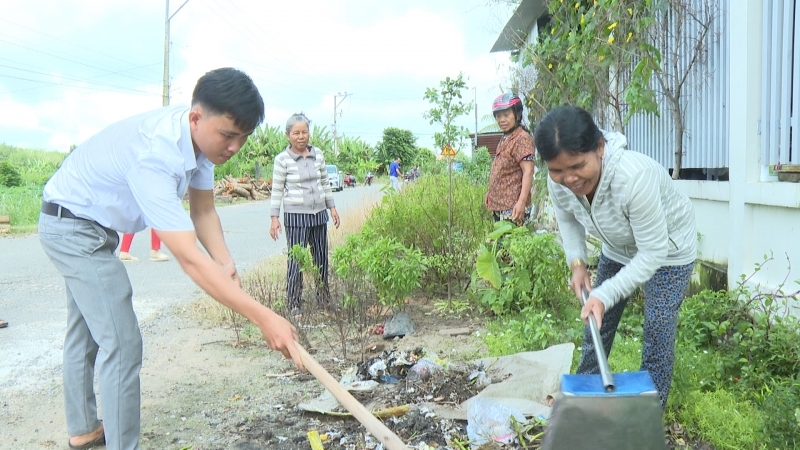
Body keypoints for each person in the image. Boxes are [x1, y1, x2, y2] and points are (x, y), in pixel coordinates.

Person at [38, 68, 302, 450]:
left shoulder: (200, 141)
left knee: (88, 330)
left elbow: (204, 212)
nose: (234, 147)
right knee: (122, 340)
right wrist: (263, 317)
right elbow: (188, 257)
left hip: (85, 222)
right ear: (196, 117)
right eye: (228, 135)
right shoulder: (156, 153)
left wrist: (225, 263)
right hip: (72, 227)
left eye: (243, 138)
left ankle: (83, 429)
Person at [534, 105, 697, 408]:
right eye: (557, 170)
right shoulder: (558, 181)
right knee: (598, 321)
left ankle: (649, 413)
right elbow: (568, 219)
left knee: (658, 329)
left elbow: (652, 252)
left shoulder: (634, 178)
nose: (569, 179)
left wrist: (605, 292)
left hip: (668, 251)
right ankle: (584, 403)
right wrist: (578, 264)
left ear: (599, 148)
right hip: (619, 248)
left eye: (578, 166)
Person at [269, 113, 341, 319]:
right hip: (295, 216)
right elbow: (277, 190)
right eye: (296, 133)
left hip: (319, 214)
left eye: (305, 132)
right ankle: (294, 303)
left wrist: (332, 207)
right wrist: (274, 217)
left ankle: (324, 299)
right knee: (296, 260)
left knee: (321, 258)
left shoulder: (317, 154)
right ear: (287, 135)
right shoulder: (282, 160)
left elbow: (325, 183)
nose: (301, 137)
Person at [485, 93, 535, 226]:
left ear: (517, 115)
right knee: (501, 246)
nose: (502, 120)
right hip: (500, 207)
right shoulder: (506, 138)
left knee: (512, 245)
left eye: (506, 115)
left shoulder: (522, 138)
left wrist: (521, 202)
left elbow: (528, 172)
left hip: (513, 209)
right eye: (498, 116)